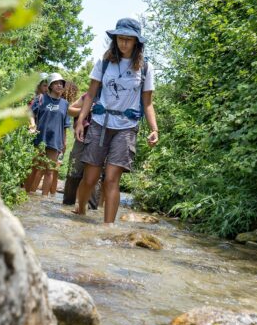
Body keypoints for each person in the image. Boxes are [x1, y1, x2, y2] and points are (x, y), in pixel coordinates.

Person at [73, 18, 158, 223]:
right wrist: (80, 121)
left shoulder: (145, 68)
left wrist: (155, 129)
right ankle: (81, 209)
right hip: (100, 123)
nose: (124, 43)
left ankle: (108, 228)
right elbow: (91, 95)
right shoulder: (103, 64)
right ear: (115, 39)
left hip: (126, 128)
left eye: (129, 39)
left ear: (137, 42)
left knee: (111, 179)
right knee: (90, 178)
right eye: (121, 38)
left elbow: (147, 103)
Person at [25, 73, 72, 196]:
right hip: (39, 138)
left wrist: (64, 142)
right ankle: (26, 195)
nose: (59, 85)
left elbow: (65, 125)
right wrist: (32, 124)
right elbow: (29, 113)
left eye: (61, 84)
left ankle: (44, 199)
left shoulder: (65, 104)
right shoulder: (40, 98)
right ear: (50, 85)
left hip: (55, 140)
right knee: (34, 168)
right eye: (56, 83)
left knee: (50, 170)